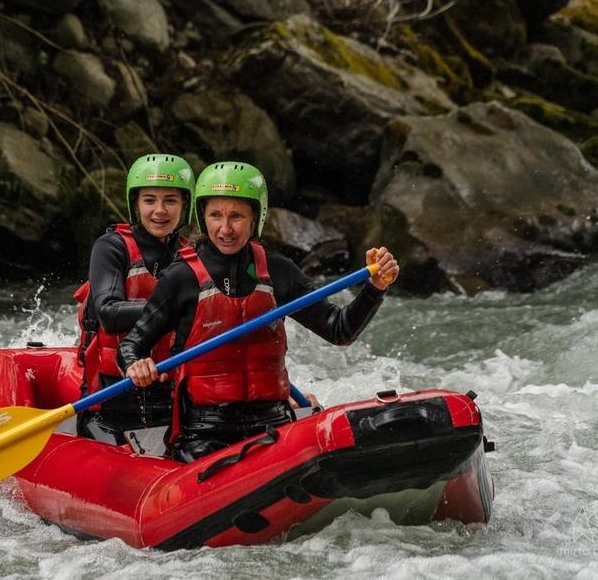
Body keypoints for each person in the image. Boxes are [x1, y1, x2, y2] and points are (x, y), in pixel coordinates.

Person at [118, 161, 399, 462]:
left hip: (273, 425)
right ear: (203, 217)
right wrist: (137, 365)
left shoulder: (279, 272)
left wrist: (375, 288)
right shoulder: (181, 277)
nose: (225, 229)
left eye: (236, 216)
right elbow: (131, 345)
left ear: (256, 218)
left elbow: (339, 328)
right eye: (215, 216)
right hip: (204, 434)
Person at [74, 153, 195, 445]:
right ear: (136, 204)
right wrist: (175, 309)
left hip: (173, 399)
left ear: (185, 206)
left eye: (171, 200)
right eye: (149, 200)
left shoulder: (193, 255)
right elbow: (108, 313)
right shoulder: (111, 247)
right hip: (111, 402)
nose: (159, 210)